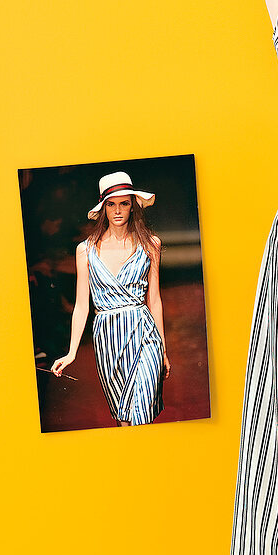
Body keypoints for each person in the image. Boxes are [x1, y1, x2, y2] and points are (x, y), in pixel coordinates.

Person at [52, 170, 170, 426]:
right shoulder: (86, 250)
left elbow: (155, 299)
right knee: (124, 419)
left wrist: (163, 349)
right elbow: (82, 304)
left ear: (133, 206)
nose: (118, 210)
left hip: (144, 334)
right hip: (107, 339)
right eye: (111, 204)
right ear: (103, 207)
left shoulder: (150, 244)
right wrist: (72, 352)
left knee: (142, 412)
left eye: (124, 203)